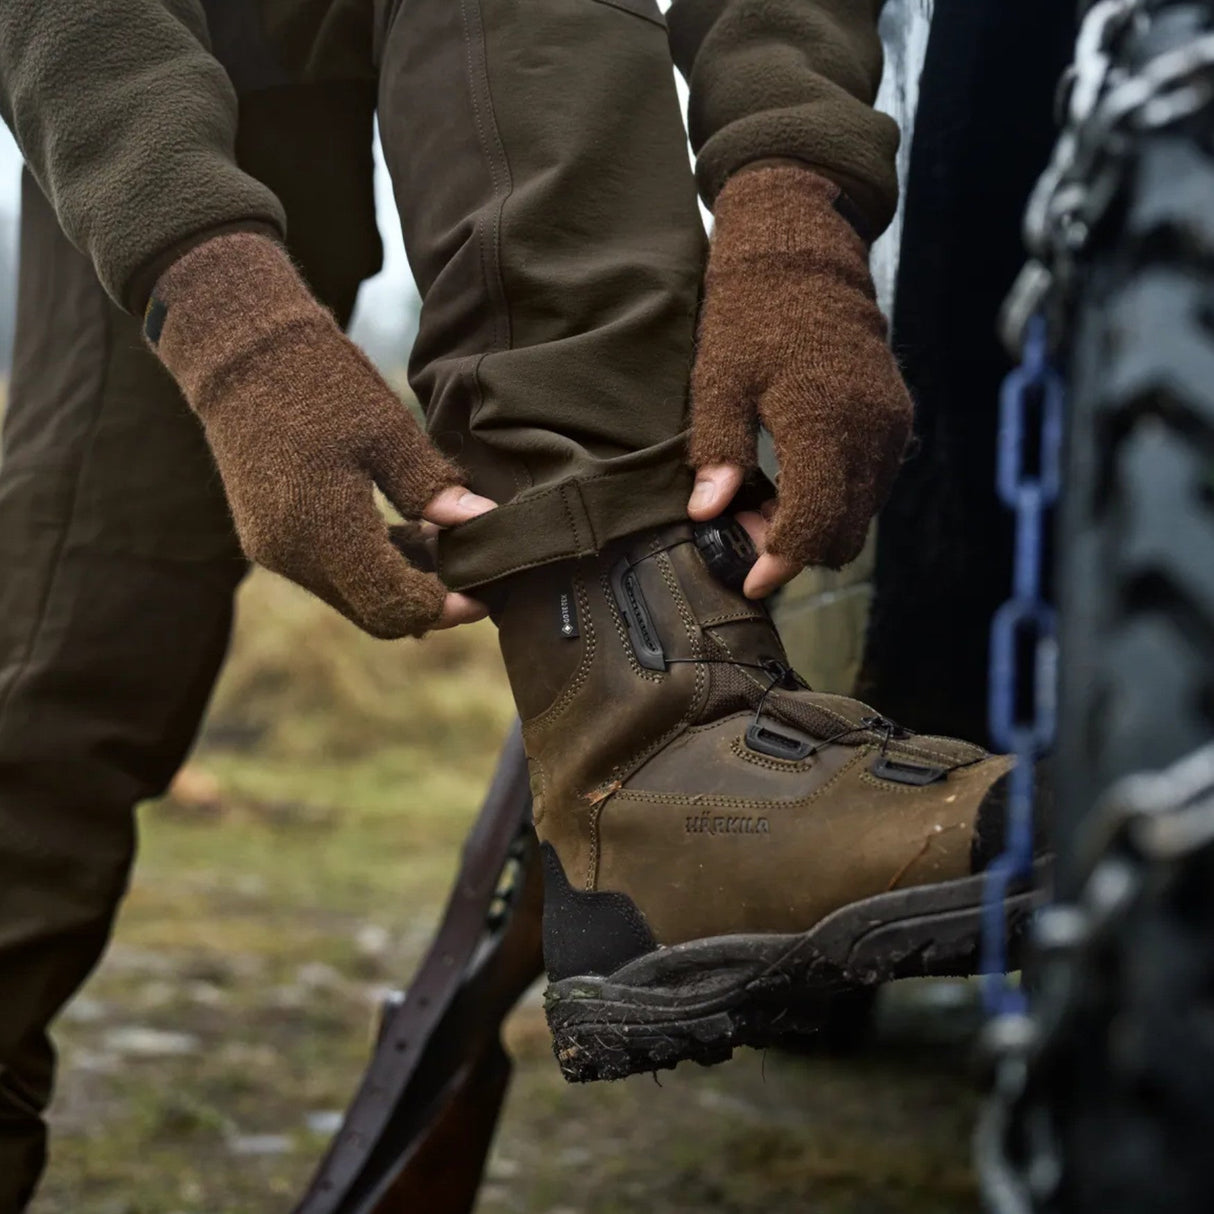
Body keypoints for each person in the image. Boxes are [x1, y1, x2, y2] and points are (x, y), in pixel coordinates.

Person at [0, 0, 1041, 1205]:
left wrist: (792, 215)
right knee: (62, 666)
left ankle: (653, 737)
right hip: (155, 60)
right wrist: (233, 330)